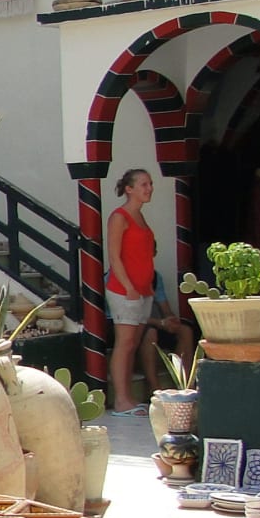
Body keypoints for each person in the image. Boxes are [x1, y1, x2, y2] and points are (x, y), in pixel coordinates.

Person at [105, 169, 193, 415]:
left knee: (133, 343)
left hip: (144, 291)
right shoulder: (119, 217)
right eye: (143, 184)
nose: (149, 188)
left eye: (150, 184)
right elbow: (114, 256)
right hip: (126, 291)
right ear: (129, 189)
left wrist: (147, 289)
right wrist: (129, 287)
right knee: (125, 343)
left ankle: (128, 398)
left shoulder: (140, 216)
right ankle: (121, 400)